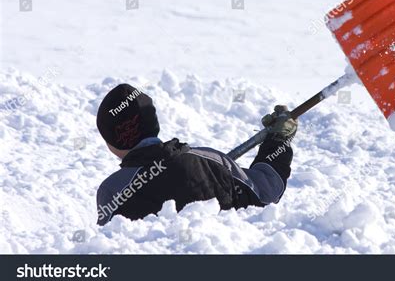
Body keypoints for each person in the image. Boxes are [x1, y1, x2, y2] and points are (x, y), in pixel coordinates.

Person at [95, 83, 297, 226]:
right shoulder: (212, 161)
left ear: (112, 140)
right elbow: (266, 191)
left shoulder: (113, 191)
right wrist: (278, 139)